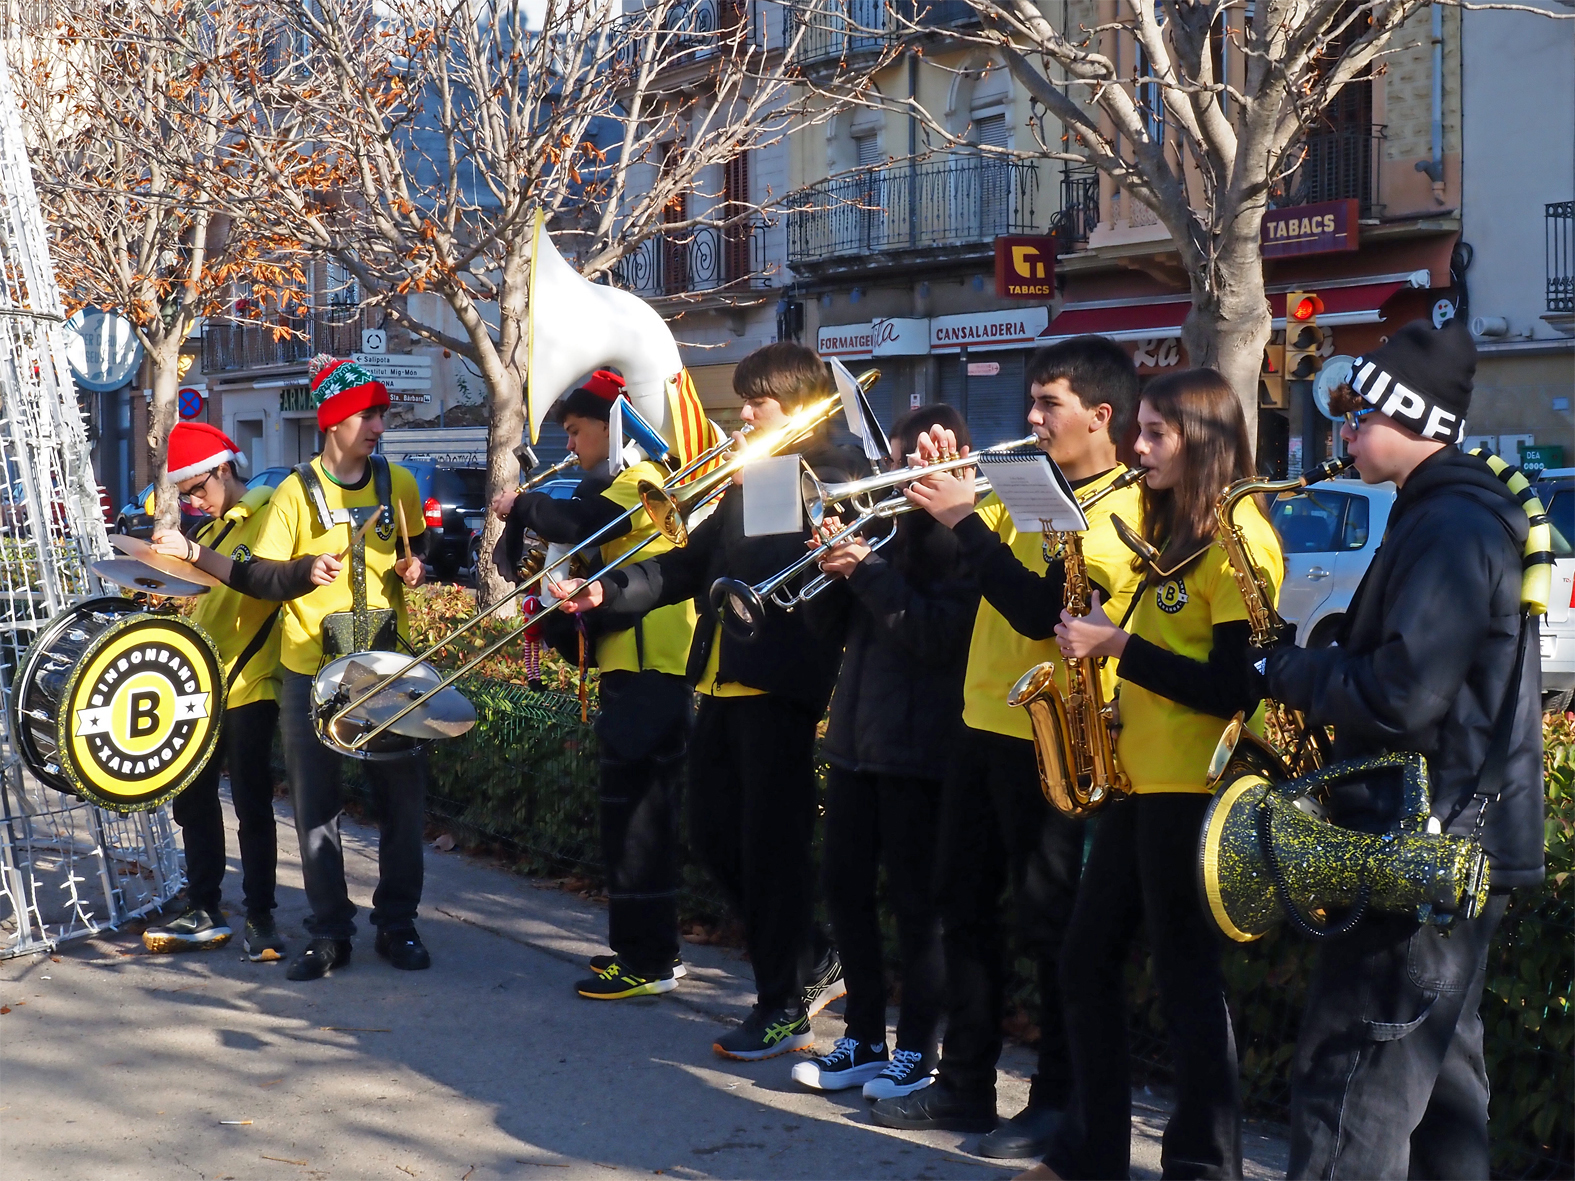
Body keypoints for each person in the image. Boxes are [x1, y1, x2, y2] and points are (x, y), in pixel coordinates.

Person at [1261, 319, 1544, 1179]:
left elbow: (1400, 694)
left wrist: (1287, 669)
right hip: (1452, 841)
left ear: (1411, 418)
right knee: (1443, 1099)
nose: (1343, 432)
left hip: (1419, 846)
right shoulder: (1447, 513)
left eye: (1359, 417)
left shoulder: (1449, 526)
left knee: (1351, 1089)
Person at [870, 337, 1142, 1161]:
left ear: (1100, 415)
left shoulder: (1122, 510)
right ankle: (964, 1086)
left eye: (1046, 403)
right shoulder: (1035, 486)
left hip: (1054, 740)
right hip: (983, 722)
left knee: (1050, 924)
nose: (1029, 418)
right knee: (964, 910)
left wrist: (963, 514)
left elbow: (1038, 609)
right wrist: (943, 490)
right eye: (1029, 401)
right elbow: (968, 562)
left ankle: (1058, 1103)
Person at [556, 342, 855, 1060]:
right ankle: (812, 958)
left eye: (759, 402)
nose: (743, 413)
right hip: (721, 677)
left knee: (768, 846)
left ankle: (781, 1002)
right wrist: (608, 591)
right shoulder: (759, 471)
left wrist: (767, 480)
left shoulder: (816, 470)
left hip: (776, 683)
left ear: (799, 403)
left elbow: (784, 565)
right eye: (744, 401)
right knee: (716, 835)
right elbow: (691, 565)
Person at [1043, 367, 1278, 1180]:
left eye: (1154, 434)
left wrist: (1117, 648)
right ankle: (1091, 1152)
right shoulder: (1171, 528)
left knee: (1183, 980)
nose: (1137, 450)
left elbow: (1233, 687)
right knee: (1086, 961)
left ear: (1203, 440)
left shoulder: (1238, 536)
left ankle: (1204, 1163)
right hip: (1142, 780)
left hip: (1193, 789)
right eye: (1137, 431)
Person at [789, 405, 979, 1101]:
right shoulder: (884, 529)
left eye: (913, 463)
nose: (898, 478)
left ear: (952, 457)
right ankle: (863, 1036)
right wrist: (830, 563)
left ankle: (917, 1047)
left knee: (913, 905)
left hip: (920, 748)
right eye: (895, 462)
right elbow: (826, 627)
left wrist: (867, 567)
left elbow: (935, 636)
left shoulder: (966, 539)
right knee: (843, 889)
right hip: (855, 740)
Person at [495, 370, 699, 1000]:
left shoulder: (641, 483)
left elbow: (578, 524)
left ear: (609, 428)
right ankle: (639, 947)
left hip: (652, 667)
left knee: (638, 822)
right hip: (629, 665)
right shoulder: (611, 484)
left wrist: (521, 504)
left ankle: (650, 961)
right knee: (626, 819)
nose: (572, 448)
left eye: (578, 433)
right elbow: (558, 539)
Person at [241, 354, 430, 982]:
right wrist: (302, 571)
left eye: (380, 414)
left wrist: (416, 569)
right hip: (308, 666)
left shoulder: (398, 483)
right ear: (333, 422)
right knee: (317, 805)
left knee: (401, 802)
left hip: (385, 669)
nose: (379, 425)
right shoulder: (294, 491)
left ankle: (397, 924)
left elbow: (417, 551)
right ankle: (329, 933)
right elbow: (260, 575)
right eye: (367, 415)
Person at [142, 424, 294, 960]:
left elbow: (261, 579)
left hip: (252, 681)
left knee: (252, 802)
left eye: (197, 489)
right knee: (193, 797)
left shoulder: (271, 511)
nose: (194, 502)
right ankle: (204, 903)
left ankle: (261, 916)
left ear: (224, 470)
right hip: (202, 684)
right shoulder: (207, 535)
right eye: (185, 495)